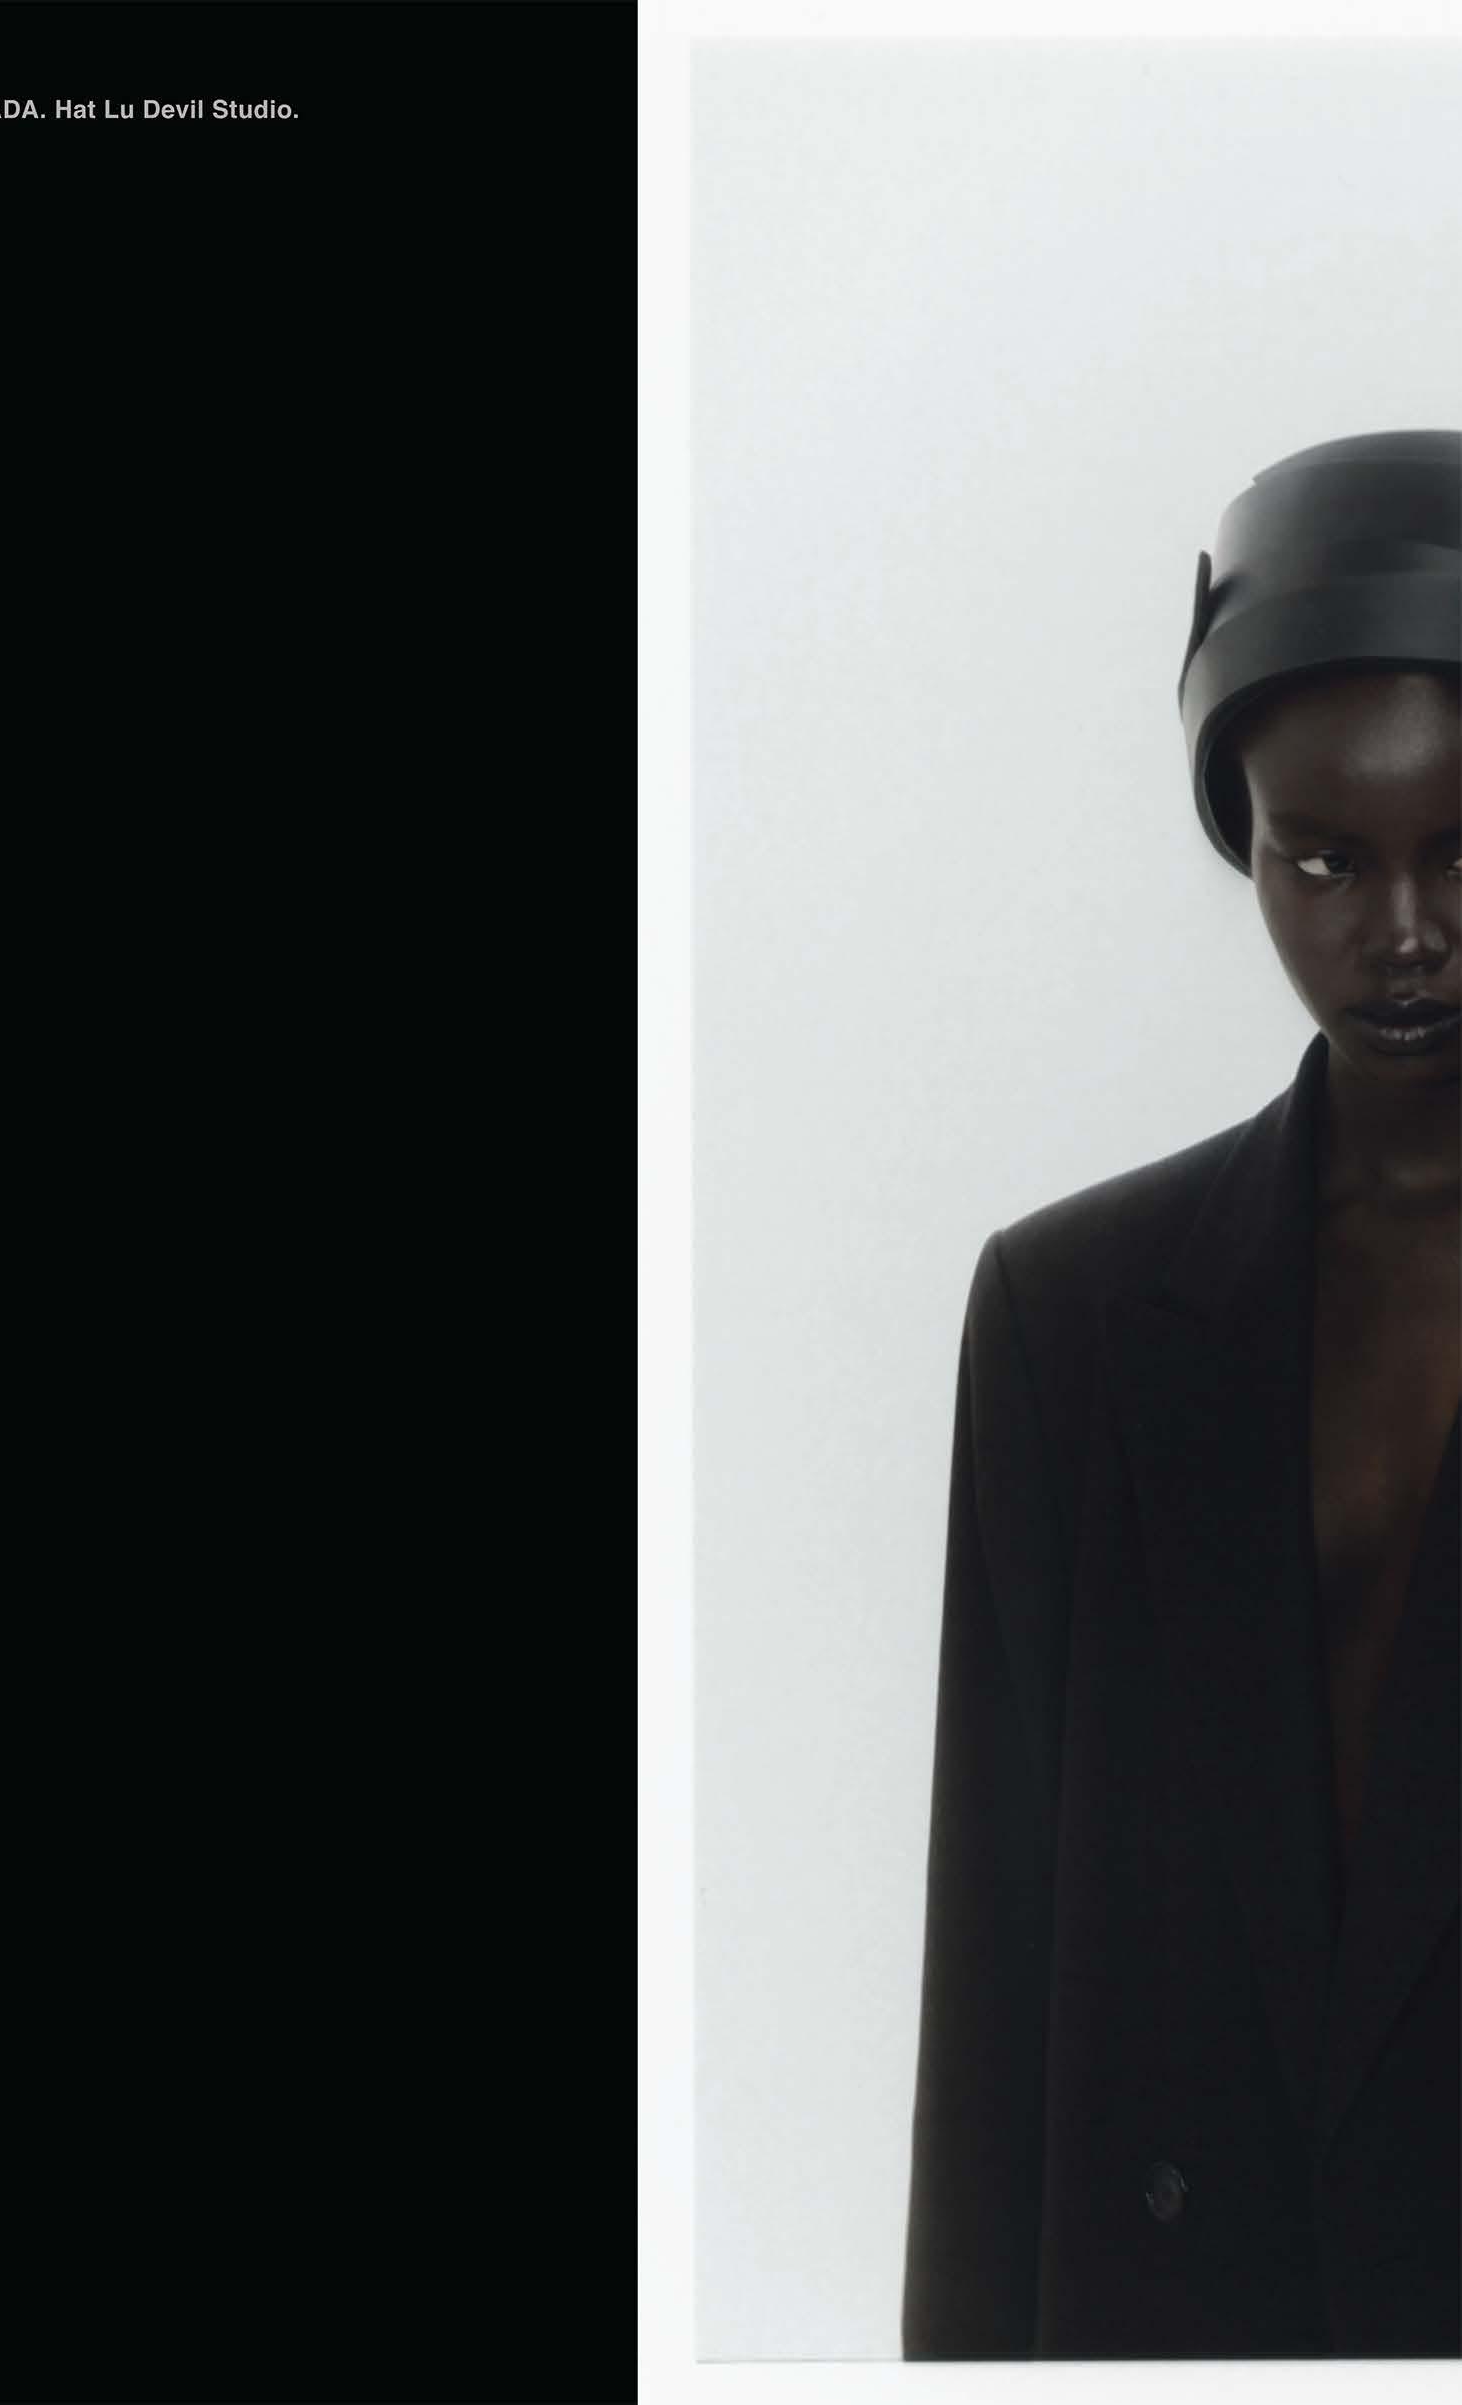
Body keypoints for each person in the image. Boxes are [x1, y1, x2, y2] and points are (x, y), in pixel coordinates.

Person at [899, 430, 1461, 2360]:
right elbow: (992, 2003)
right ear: (1244, 834)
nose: (1406, 931)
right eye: (1329, 857)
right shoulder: (1070, 1319)